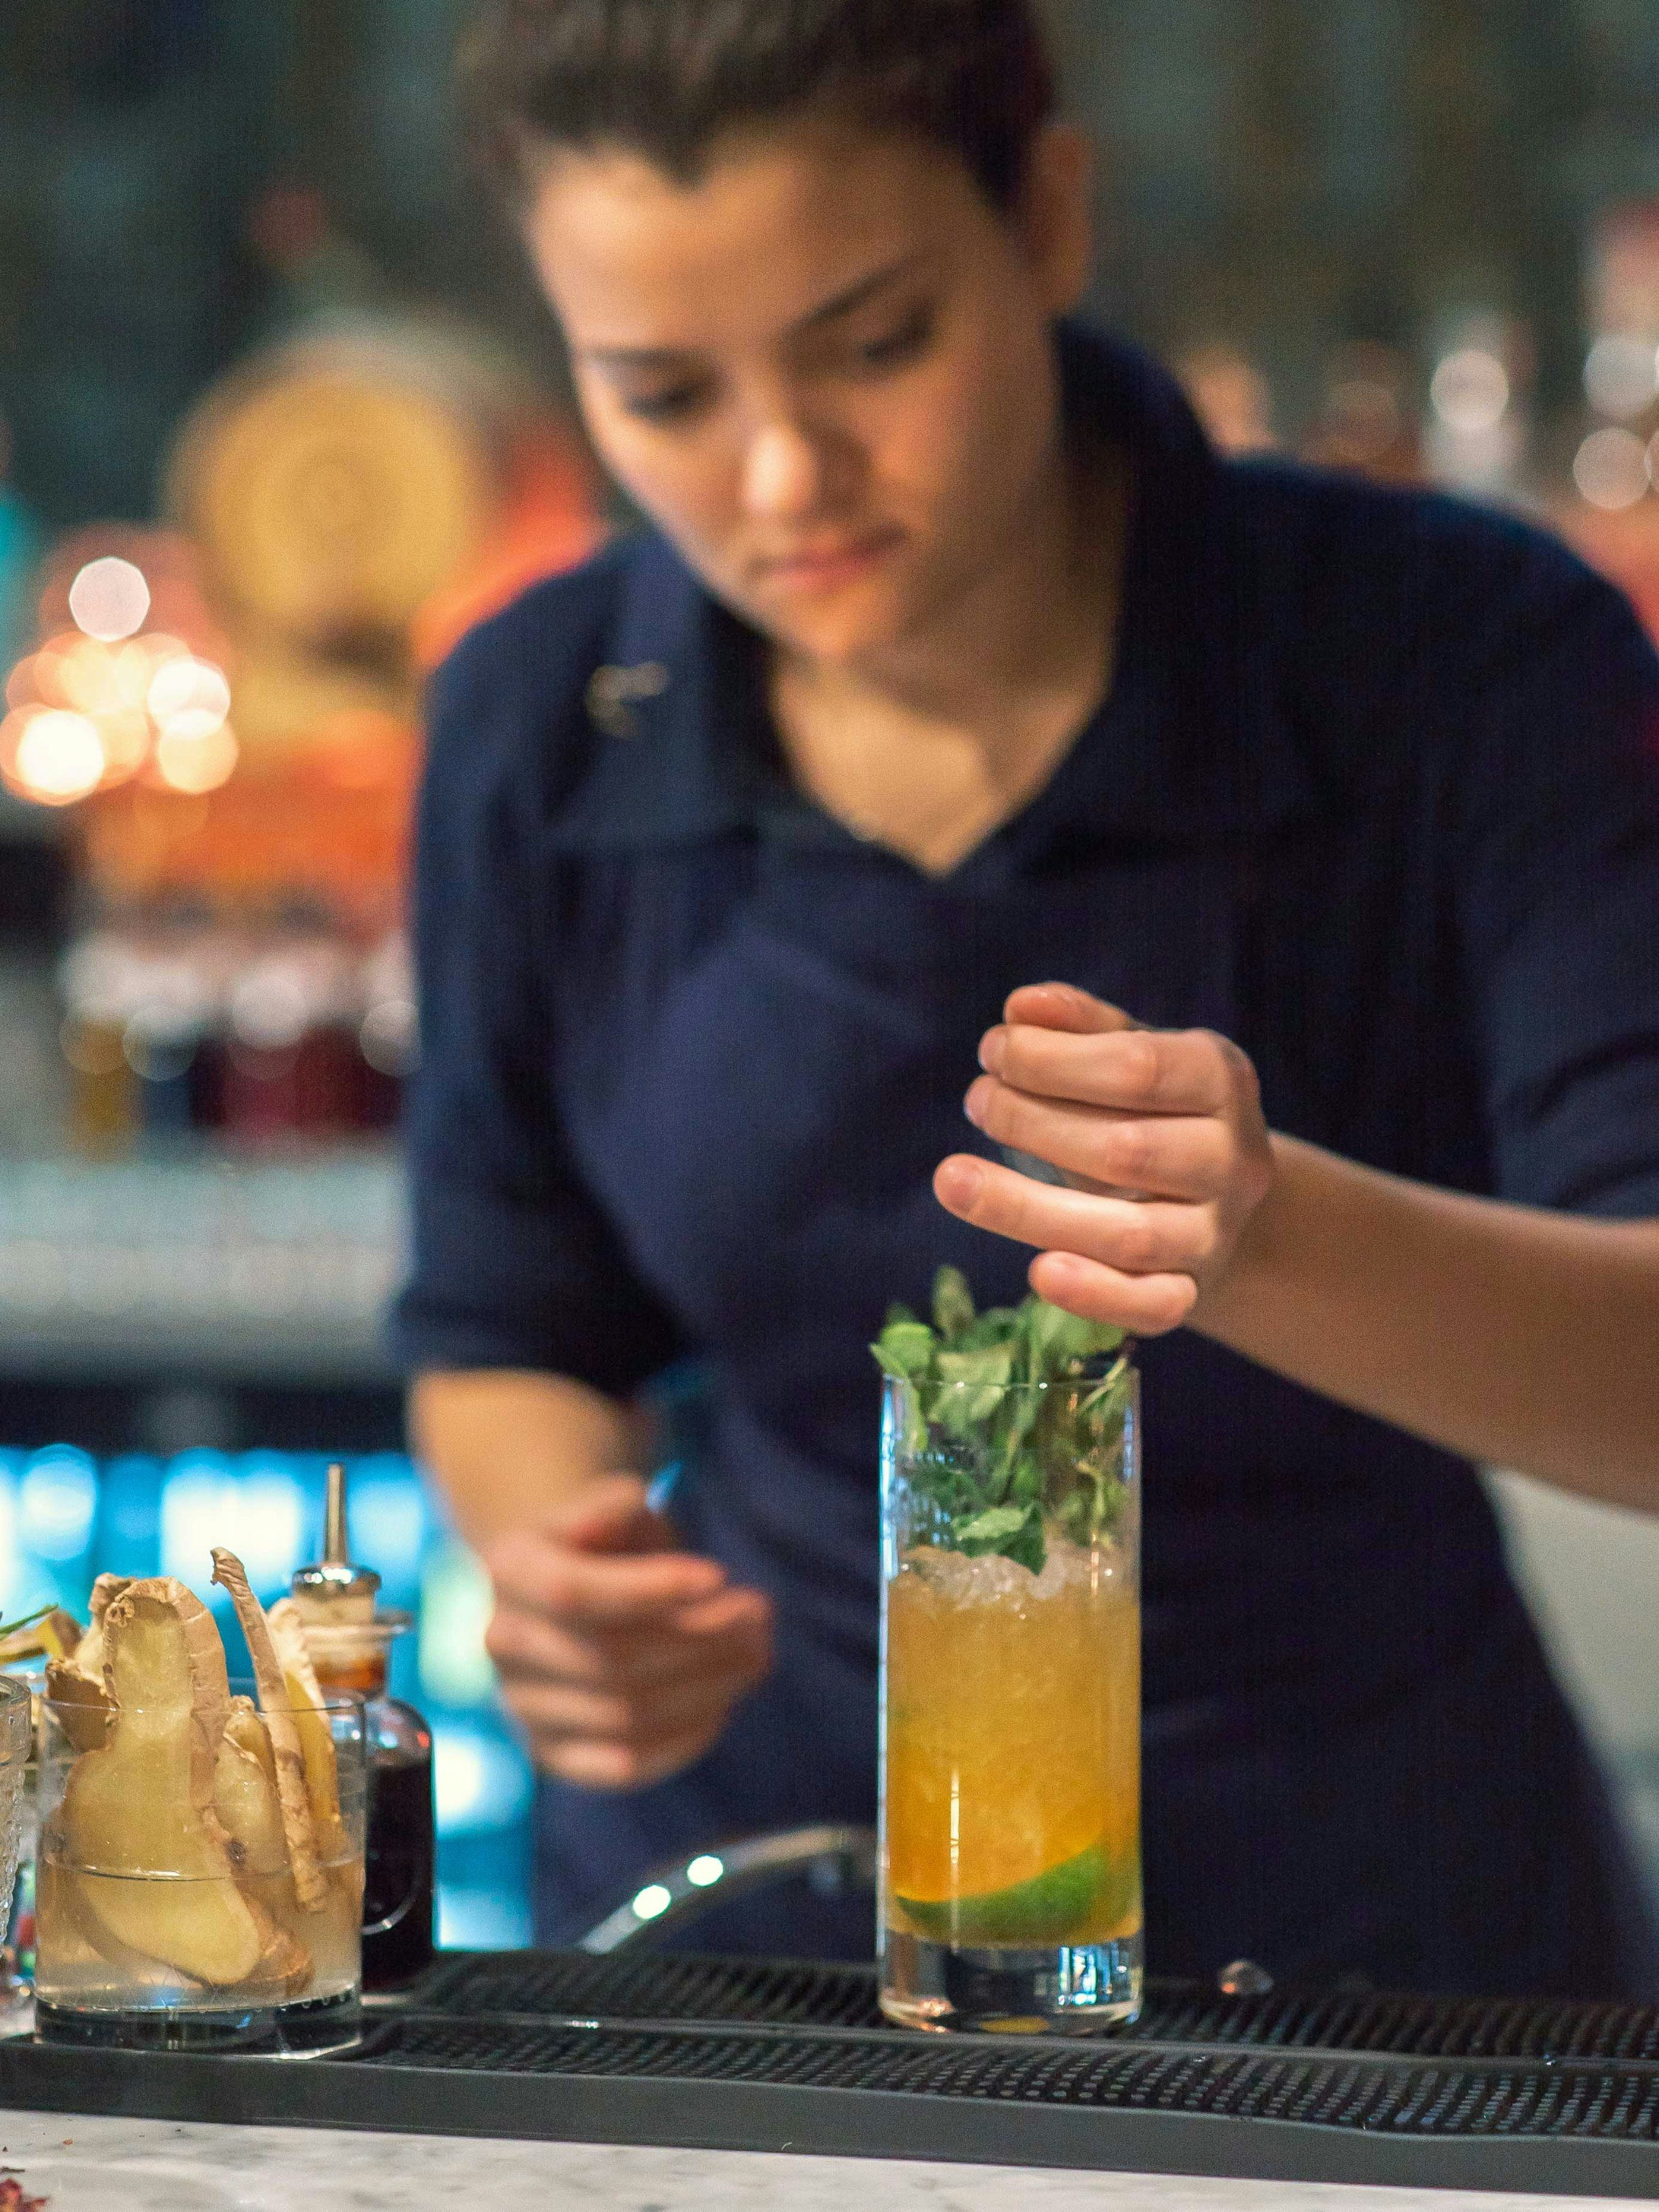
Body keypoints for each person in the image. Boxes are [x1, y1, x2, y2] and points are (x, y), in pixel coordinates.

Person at [395, 0, 1659, 1992]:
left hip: (1370, 1931)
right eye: (663, 394)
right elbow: (500, 1317)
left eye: (874, 343)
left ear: (1047, 216)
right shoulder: (535, 722)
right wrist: (568, 1570)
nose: (785, 473)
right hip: (752, 1919)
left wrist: (1266, 1233)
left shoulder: (1456, 660)